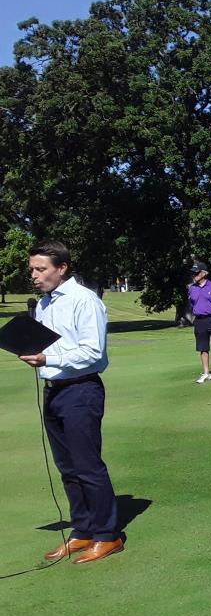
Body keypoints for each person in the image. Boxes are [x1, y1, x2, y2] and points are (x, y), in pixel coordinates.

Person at [19, 240, 124, 563]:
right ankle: (82, 530)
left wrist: (47, 357)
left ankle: (108, 535)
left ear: (62, 267)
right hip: (53, 389)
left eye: (41, 269)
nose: (35, 275)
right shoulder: (44, 303)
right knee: (67, 467)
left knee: (87, 465)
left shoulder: (84, 300)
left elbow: (93, 351)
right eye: (32, 270)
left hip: (81, 390)